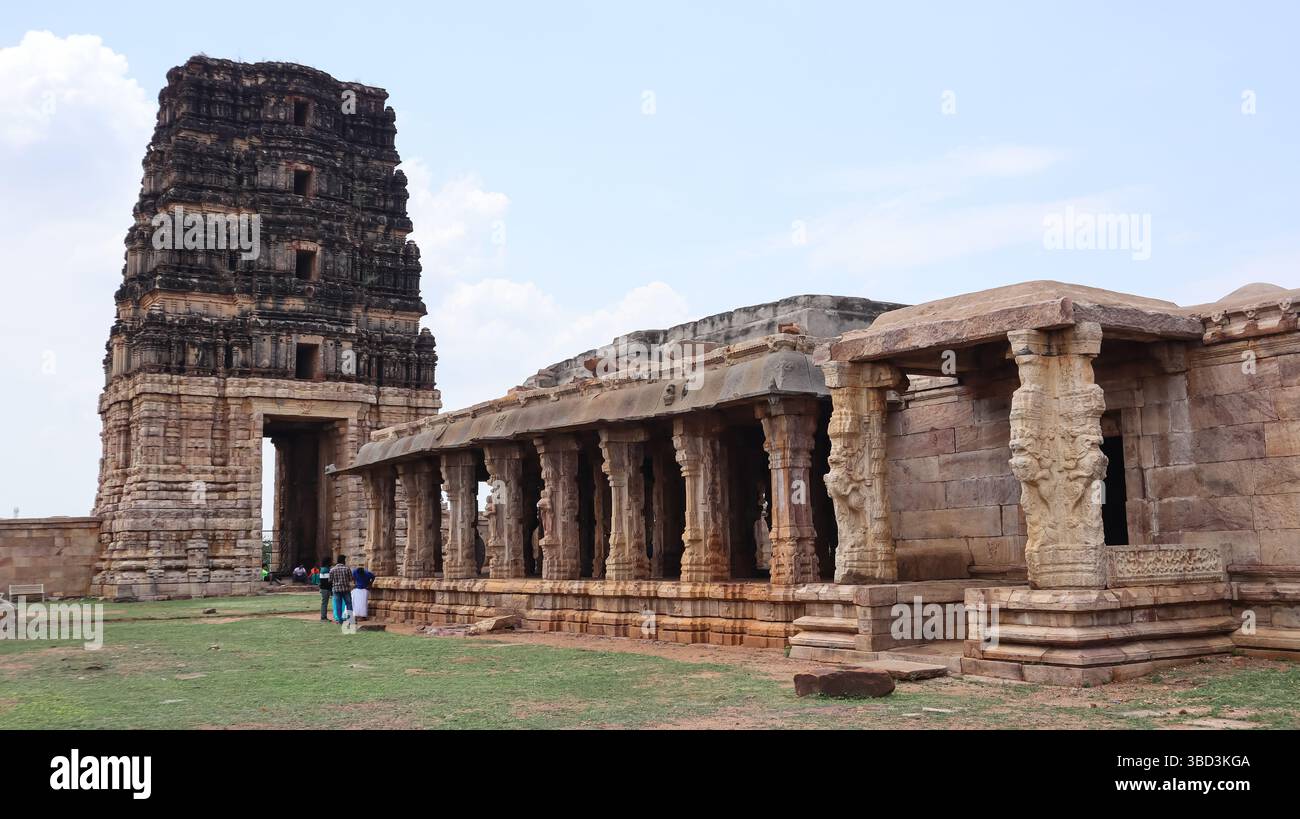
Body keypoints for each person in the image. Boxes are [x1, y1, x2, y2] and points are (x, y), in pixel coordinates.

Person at [329, 555, 354, 624]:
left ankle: (340, 620)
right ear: (343, 561)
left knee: (338, 605)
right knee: (349, 604)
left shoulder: (332, 569)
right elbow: (351, 579)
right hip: (346, 589)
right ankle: (351, 620)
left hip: (336, 589)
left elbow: (330, 580)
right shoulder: (347, 569)